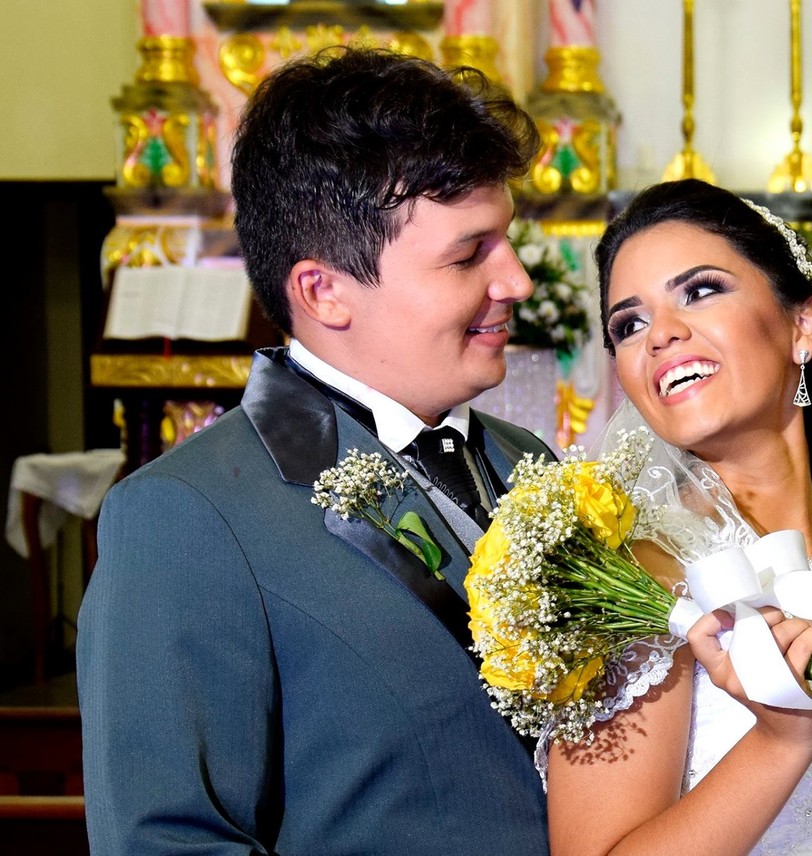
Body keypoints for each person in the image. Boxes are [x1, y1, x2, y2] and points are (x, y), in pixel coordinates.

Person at [77, 47, 552, 855]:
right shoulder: (186, 516)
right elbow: (168, 842)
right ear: (323, 290)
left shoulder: (524, 460)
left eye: (506, 241)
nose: (516, 281)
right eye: (469, 254)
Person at [544, 178, 812, 856]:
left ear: (803, 324)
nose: (662, 334)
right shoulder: (635, 584)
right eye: (628, 325)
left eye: (700, 290)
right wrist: (781, 740)